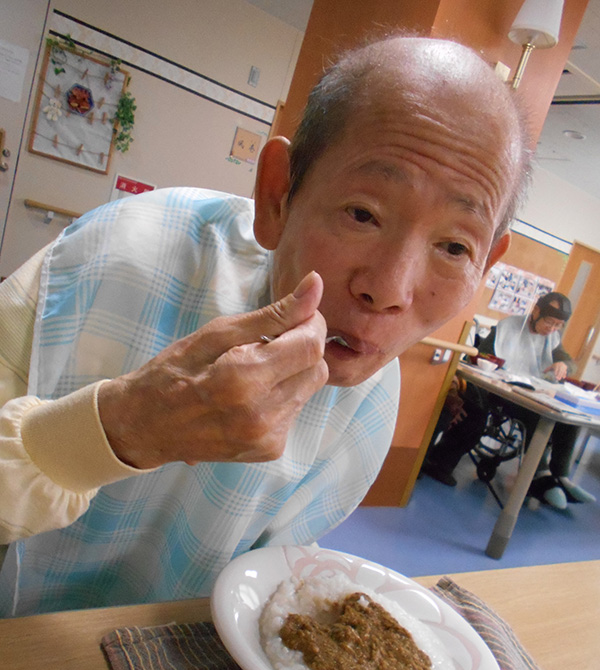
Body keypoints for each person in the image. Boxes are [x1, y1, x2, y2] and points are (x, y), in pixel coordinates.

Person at [0, 34, 529, 617]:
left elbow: (252, 590)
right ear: (278, 194)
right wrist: (125, 426)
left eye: (454, 246)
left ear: (485, 266)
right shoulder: (112, 258)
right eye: (363, 213)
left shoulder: (370, 409)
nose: (389, 291)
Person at [422, 292, 596, 508]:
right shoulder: (507, 328)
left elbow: (569, 362)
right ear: (536, 312)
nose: (552, 329)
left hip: (533, 391)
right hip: (502, 393)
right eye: (550, 322)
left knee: (568, 419)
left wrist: (564, 366)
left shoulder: (552, 338)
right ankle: (539, 475)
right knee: (538, 415)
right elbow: (482, 357)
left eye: (558, 325)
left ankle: (561, 476)